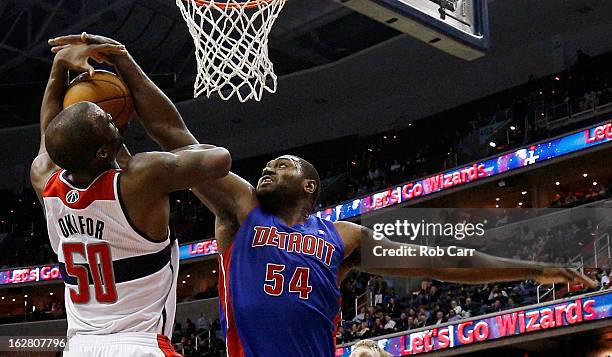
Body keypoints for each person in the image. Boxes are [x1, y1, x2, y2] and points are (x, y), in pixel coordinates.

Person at [48, 33, 597, 357]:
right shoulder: (240, 211)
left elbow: (448, 259)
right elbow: (176, 140)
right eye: (267, 164)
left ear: (309, 186)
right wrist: (123, 64)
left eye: (283, 165)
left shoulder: (343, 237)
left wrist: (530, 268)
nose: (269, 168)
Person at [31, 43, 231, 356]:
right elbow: (220, 158)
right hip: (138, 345)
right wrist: (127, 71)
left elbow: (50, 132)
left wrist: (58, 68)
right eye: (107, 119)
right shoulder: (142, 178)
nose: (112, 117)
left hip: (79, 347)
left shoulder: (43, 178)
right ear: (101, 151)